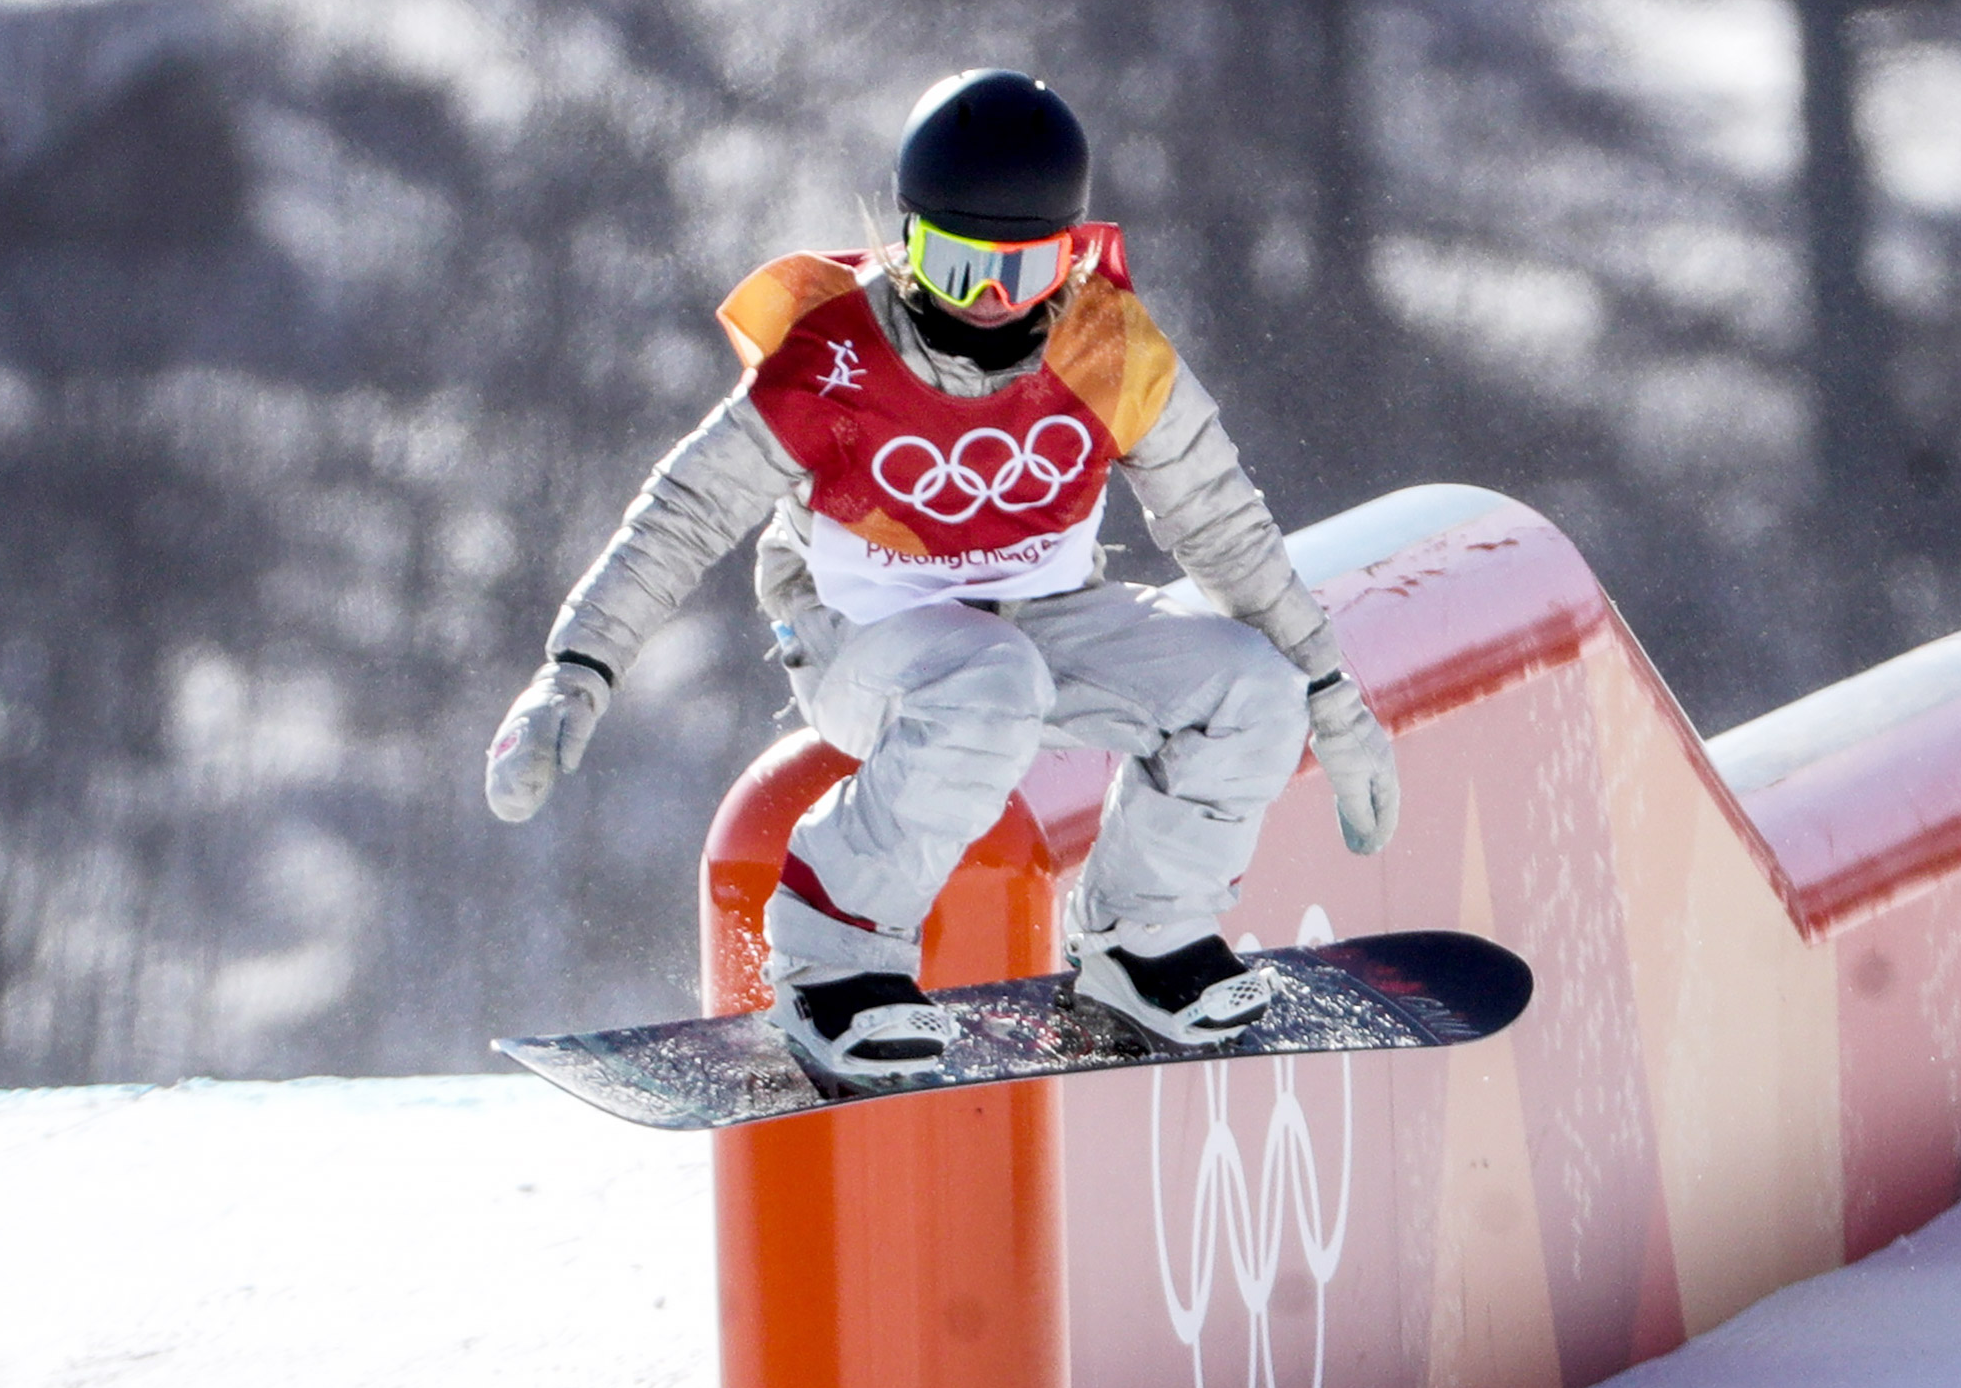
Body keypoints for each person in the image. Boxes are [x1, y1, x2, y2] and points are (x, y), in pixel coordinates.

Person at [483, 68, 1398, 1077]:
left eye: (1028, 271)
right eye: (959, 270)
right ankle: (834, 962)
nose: (995, 307)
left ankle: (1144, 936)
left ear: (1071, 253)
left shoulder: (1105, 346)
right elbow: (685, 513)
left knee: (1247, 687)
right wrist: (579, 668)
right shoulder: (837, 360)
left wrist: (1328, 690)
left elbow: (1223, 524)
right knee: (987, 678)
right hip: (863, 639)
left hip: (1043, 617)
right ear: (905, 241)